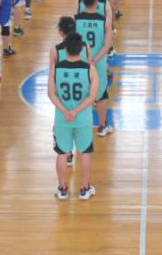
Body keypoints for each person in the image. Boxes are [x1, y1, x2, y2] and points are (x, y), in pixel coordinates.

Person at [49, 32, 98, 201]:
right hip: (83, 119)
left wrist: (65, 111)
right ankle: (84, 189)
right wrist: (76, 111)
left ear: (66, 49)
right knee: (85, 153)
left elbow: (51, 94)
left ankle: (62, 189)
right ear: (81, 49)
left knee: (62, 153)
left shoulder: (56, 69)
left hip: (62, 119)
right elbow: (92, 97)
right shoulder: (89, 69)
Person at [76, 0, 113, 137]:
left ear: (83, 2)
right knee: (101, 94)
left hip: (81, 62)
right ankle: (102, 127)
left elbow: (72, 43)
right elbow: (108, 45)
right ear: (97, 2)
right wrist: (95, 60)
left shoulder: (76, 20)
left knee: (81, 94)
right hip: (98, 63)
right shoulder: (104, 21)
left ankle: (79, 126)